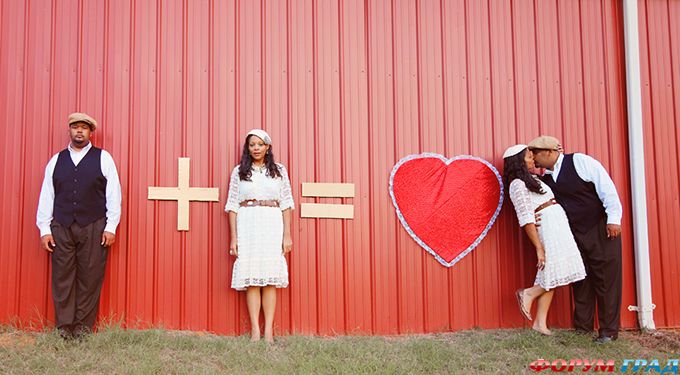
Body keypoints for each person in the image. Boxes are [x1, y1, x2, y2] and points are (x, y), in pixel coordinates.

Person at [529, 136, 623, 344]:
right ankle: (582, 327)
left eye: (534, 153)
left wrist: (614, 219)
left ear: (548, 152)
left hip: (600, 229)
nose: (533, 159)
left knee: (606, 280)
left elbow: (606, 189)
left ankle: (608, 332)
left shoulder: (580, 162)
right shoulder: (547, 178)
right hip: (573, 234)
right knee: (581, 280)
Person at [36, 112, 122, 341]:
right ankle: (64, 328)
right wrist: (44, 229)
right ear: (70, 130)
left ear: (90, 132)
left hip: (93, 225)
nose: (80, 131)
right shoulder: (56, 160)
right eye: (76, 127)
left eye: (84, 127)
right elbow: (47, 194)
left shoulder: (104, 158)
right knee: (62, 277)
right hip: (62, 226)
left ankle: (83, 330)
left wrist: (111, 226)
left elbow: (113, 194)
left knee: (90, 277)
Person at [503, 144, 586, 335]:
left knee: (553, 271)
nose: (533, 159)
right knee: (554, 269)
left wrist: (556, 151)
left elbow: (554, 165)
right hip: (547, 226)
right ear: (518, 161)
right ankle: (529, 293)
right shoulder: (517, 184)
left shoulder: (532, 178)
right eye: (529, 156)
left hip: (556, 222)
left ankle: (540, 323)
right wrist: (539, 248)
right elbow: (525, 217)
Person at [225, 129, 294, 343]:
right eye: (252, 144)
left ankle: (269, 332)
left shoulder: (279, 170)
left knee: (270, 279)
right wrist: (234, 237)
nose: (256, 148)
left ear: (267, 147)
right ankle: (255, 330)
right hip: (248, 224)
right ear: (247, 148)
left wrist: (287, 235)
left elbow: (287, 203)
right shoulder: (239, 172)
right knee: (252, 279)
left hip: (272, 224)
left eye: (260, 144)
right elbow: (232, 206)